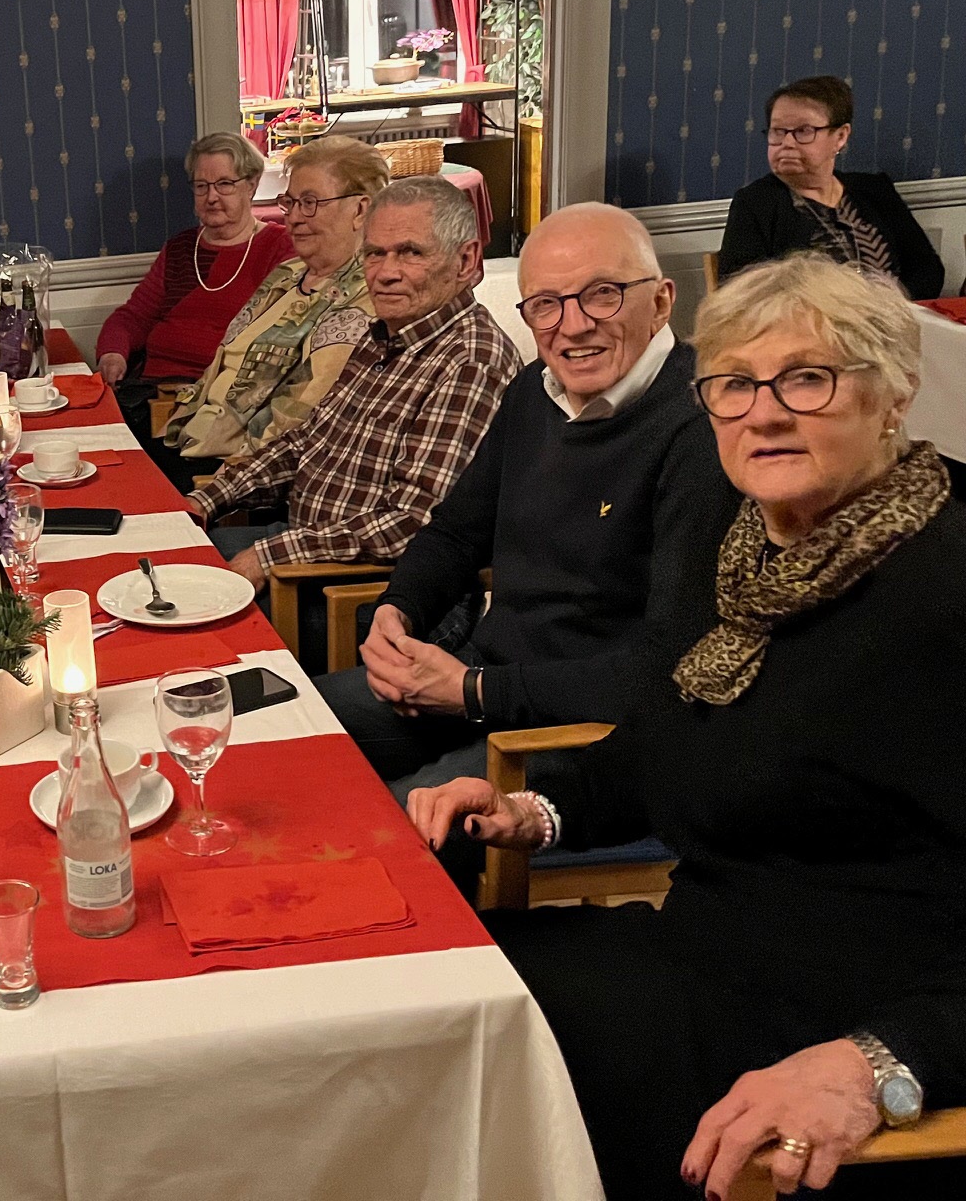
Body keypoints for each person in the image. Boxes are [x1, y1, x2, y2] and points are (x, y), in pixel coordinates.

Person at [410, 254, 966, 1201]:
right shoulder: (745, 548)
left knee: (457, 1084)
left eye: (808, 378)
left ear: (895, 393)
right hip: (693, 954)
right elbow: (674, 739)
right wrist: (530, 810)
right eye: (734, 384)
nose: (764, 413)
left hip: (837, 1026)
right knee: (421, 1010)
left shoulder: (944, 593)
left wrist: (878, 1064)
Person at [315, 204, 736, 855]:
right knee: (288, 734)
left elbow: (668, 667)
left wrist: (474, 691)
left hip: (589, 734)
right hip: (485, 682)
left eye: (602, 294)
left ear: (661, 300)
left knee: (386, 840)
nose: (573, 325)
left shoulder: (705, 431)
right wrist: (397, 612)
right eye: (545, 304)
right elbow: (455, 533)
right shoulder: (533, 393)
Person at [185, 176, 521, 657]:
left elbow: (414, 524)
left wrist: (270, 555)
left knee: (193, 634)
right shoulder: (382, 334)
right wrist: (208, 499)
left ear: (466, 261)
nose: (384, 273)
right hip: (308, 550)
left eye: (410, 253)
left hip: (377, 593)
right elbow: (306, 442)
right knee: (170, 560)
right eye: (374, 253)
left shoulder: (471, 360)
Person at [158, 135, 383, 488]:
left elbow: (300, 418)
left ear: (360, 210)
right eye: (290, 203)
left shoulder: (365, 299)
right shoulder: (289, 273)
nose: (294, 217)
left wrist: (226, 480)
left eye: (310, 203)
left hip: (235, 473)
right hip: (190, 439)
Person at [97, 131, 295, 447]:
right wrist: (112, 354)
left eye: (224, 184)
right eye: (201, 186)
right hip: (150, 394)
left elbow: (274, 343)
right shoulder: (181, 248)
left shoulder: (279, 248)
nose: (211, 196)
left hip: (218, 404)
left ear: (251, 184)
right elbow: (133, 316)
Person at [717, 74, 944, 298]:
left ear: (840, 137)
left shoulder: (874, 190)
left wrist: (891, 304)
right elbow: (742, 294)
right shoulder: (755, 203)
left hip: (894, 315)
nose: (787, 143)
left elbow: (928, 269)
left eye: (803, 131)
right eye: (778, 131)